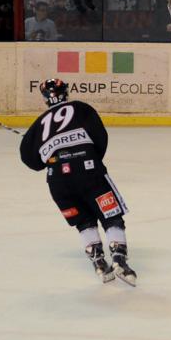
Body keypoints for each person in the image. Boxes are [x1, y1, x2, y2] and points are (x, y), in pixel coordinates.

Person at [19, 79, 137, 285]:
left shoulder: (39, 123)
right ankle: (119, 260)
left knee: (83, 222)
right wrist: (90, 159)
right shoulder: (81, 108)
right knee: (111, 216)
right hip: (88, 169)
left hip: (57, 181)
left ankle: (99, 264)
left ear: (46, 98)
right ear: (66, 92)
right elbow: (100, 137)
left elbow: (31, 161)